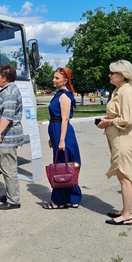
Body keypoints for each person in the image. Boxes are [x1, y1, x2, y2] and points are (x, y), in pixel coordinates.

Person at [96, 60, 132, 225]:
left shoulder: (126, 92)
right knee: (122, 174)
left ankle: (127, 215)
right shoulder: (119, 91)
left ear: (121, 76)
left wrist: (108, 122)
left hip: (124, 138)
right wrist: (107, 120)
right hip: (119, 137)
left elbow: (127, 119)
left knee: (125, 175)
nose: (109, 76)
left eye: (112, 73)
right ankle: (125, 210)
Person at [42, 67, 82, 210]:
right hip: (56, 131)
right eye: (54, 77)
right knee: (65, 164)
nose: (54, 80)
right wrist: (53, 137)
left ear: (65, 80)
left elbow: (64, 120)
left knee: (63, 164)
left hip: (62, 131)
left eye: (57, 78)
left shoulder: (64, 96)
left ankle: (59, 201)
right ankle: (72, 198)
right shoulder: (59, 94)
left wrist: (61, 140)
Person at [0, 65, 24, 210]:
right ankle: (10, 194)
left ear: (4, 78)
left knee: (9, 168)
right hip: (6, 137)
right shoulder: (9, 91)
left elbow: (7, 116)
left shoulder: (9, 94)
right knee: (6, 167)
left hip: (6, 138)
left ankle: (13, 201)